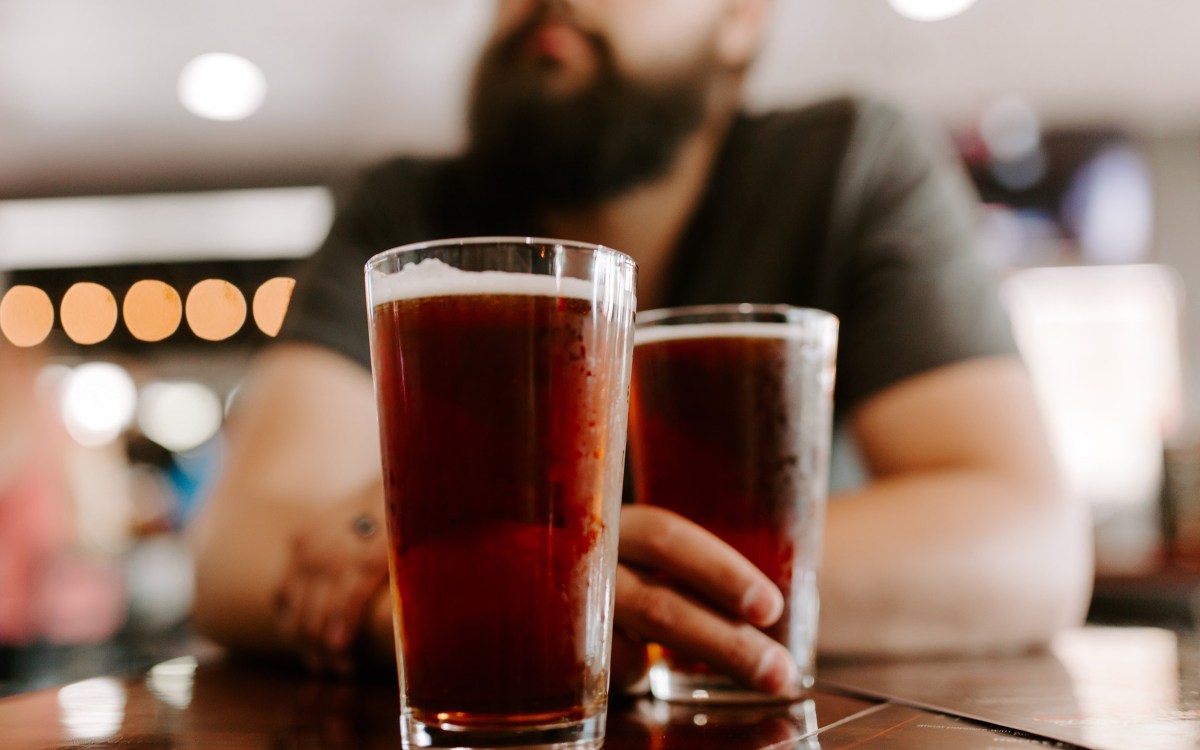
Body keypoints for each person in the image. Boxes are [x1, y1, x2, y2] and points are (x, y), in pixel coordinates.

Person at [189, 0, 1093, 695]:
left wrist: (509, 583)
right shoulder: (404, 215)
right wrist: (526, 600)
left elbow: (1028, 542)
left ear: (741, 17)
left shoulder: (848, 166)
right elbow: (235, 554)